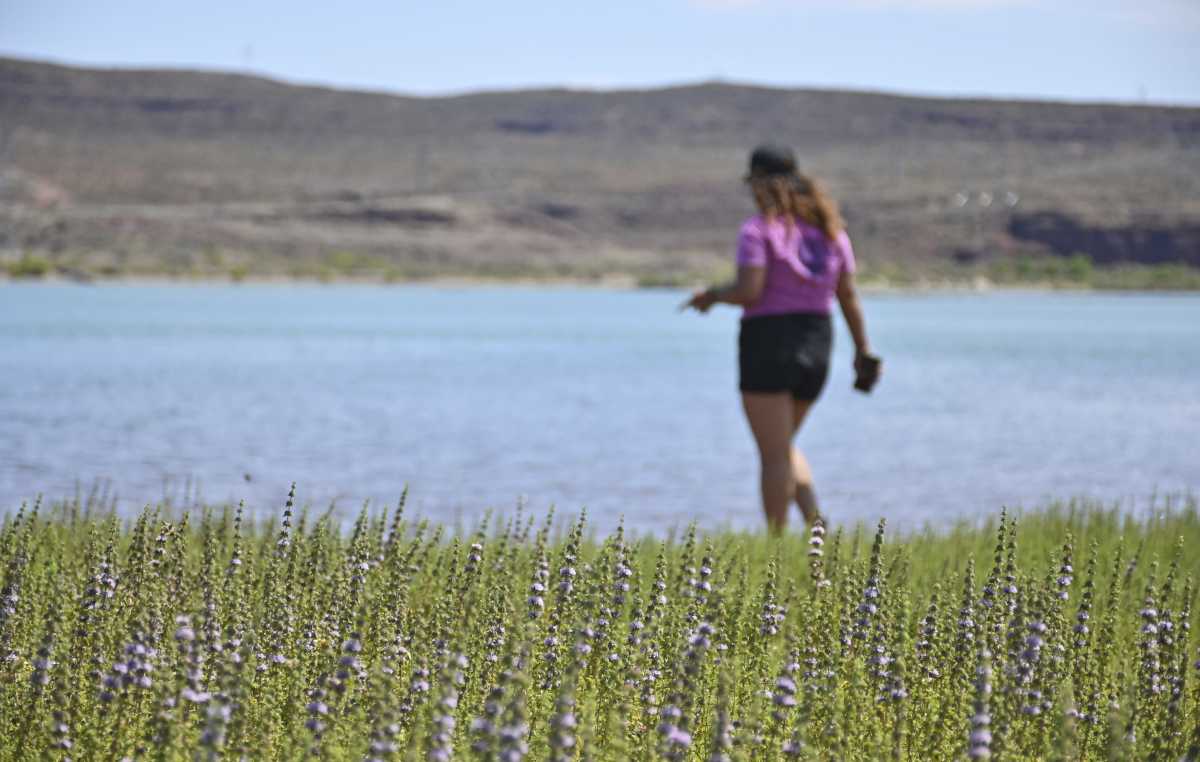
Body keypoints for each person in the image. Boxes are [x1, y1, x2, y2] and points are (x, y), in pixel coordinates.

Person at [680, 144, 879, 534]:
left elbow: (750, 291)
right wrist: (863, 350)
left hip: (769, 342)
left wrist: (713, 296)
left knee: (772, 456)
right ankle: (817, 530)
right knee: (783, 445)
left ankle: (775, 550)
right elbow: (848, 296)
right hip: (818, 342)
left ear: (758, 183)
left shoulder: (758, 230)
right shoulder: (832, 233)